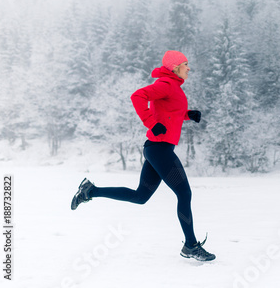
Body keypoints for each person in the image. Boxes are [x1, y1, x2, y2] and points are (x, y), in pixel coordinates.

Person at [70, 50, 215, 262]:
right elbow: (138, 96)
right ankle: (190, 245)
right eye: (185, 64)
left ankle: (90, 191)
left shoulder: (172, 86)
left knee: (140, 197)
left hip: (158, 149)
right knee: (184, 194)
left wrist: (187, 115)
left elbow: (168, 111)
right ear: (175, 67)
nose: (188, 67)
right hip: (160, 149)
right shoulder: (166, 84)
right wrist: (150, 123)